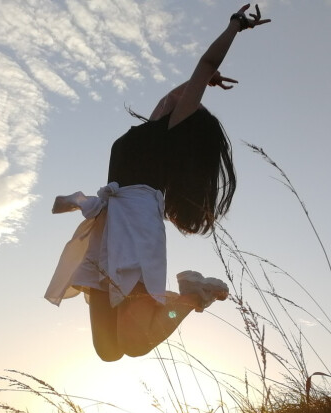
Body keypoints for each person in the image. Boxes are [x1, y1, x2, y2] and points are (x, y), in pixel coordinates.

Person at [45, 4, 271, 362]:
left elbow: (205, 65)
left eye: (189, 103)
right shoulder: (151, 127)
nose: (182, 100)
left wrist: (235, 26)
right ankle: (178, 299)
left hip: (136, 228)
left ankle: (193, 295)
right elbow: (173, 96)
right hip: (109, 224)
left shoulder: (170, 134)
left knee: (133, 345)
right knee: (107, 351)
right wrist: (201, 84)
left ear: (187, 126)